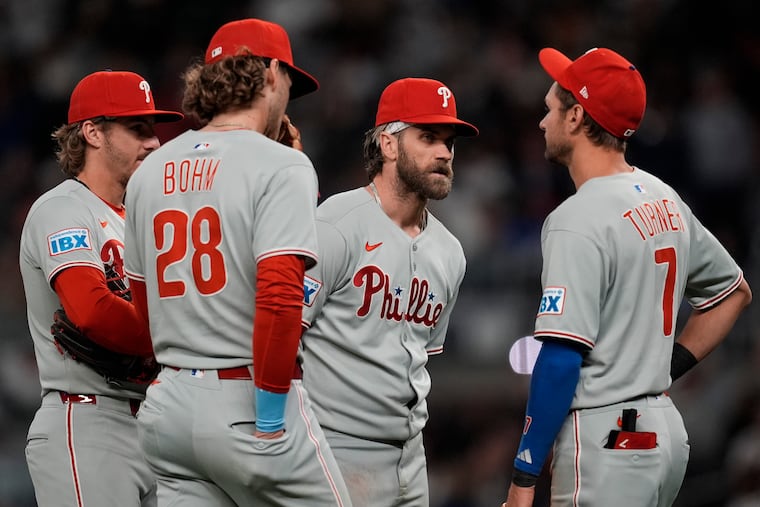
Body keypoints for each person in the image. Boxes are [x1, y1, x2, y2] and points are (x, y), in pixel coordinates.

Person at [501, 47, 752, 507]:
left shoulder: (575, 218)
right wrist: (663, 369)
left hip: (608, 438)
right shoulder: (664, 197)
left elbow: (559, 359)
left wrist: (523, 475)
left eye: (550, 109)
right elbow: (732, 293)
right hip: (665, 433)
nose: (542, 122)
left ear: (576, 117)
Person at [122, 18, 352, 506]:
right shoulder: (281, 164)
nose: (289, 94)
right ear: (270, 72)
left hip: (169, 409)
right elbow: (280, 295)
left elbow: (143, 311)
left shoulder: (150, 171)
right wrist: (270, 417)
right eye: (289, 80)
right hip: (247, 398)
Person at [300, 77, 478, 506]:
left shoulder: (450, 252)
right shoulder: (337, 222)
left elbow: (422, 356)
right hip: (332, 446)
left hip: (411, 455)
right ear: (388, 144)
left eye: (449, 142)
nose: (444, 153)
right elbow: (284, 330)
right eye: (429, 137)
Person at [20, 70, 183, 506]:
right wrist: (172, 336)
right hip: (90, 421)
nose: (154, 142)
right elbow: (92, 311)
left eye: (153, 129)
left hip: (157, 423)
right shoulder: (62, 208)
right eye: (137, 128)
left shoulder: (146, 220)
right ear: (92, 132)